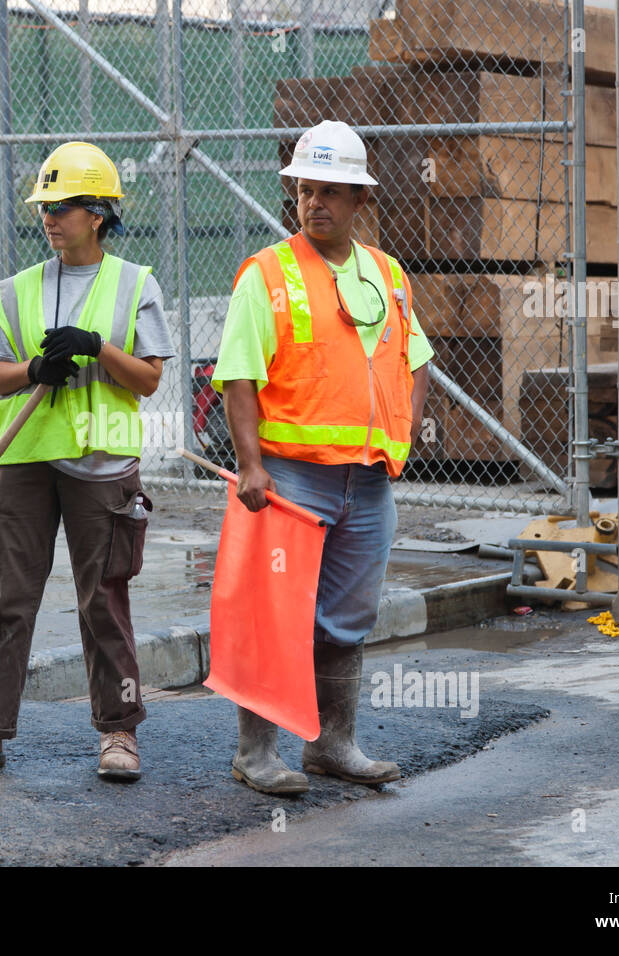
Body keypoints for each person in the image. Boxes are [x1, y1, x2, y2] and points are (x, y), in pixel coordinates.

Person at [0, 142, 175, 782]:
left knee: (102, 600)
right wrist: (35, 368)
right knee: (9, 597)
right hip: (26, 462)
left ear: (98, 213)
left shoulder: (135, 284)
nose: (49, 218)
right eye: (44, 207)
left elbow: (147, 379)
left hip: (102, 466)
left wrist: (95, 348)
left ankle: (119, 734)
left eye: (61, 207)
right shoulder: (15, 290)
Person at [211, 120, 433, 795]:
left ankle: (331, 745)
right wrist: (251, 466)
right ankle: (256, 753)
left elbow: (416, 359)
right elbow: (239, 375)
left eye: (331, 193)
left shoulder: (388, 275)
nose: (316, 204)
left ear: (360, 201)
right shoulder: (268, 275)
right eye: (307, 191)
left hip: (366, 483)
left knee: (346, 617)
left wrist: (405, 430)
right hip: (291, 478)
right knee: (275, 615)